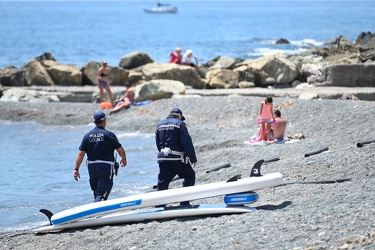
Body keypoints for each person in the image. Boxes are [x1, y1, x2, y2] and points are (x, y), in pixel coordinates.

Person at [73, 111, 127, 202]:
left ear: (95, 122)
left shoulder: (87, 136)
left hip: (92, 167)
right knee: (101, 194)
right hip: (105, 167)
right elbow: (120, 149)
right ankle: (95, 213)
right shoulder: (109, 134)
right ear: (104, 121)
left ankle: (99, 212)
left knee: (96, 192)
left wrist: (76, 169)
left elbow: (81, 154)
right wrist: (124, 159)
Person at [155, 107, 197, 206]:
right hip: (177, 158)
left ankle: (160, 205)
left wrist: (163, 155)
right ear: (179, 116)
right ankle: (184, 202)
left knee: (163, 182)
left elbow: (158, 143)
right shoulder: (180, 124)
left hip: (162, 157)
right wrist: (193, 159)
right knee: (189, 175)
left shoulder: (159, 125)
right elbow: (187, 142)